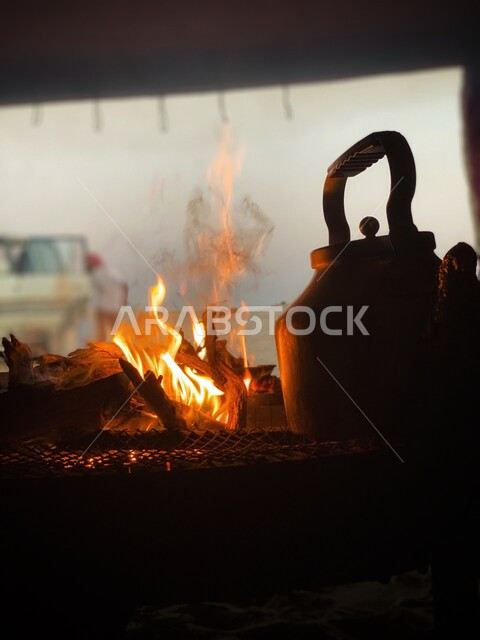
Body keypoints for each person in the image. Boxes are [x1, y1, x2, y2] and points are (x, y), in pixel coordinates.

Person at [86, 253, 128, 341]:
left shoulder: (96, 274)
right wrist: (124, 300)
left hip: (103, 307)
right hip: (115, 306)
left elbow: (94, 294)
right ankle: (119, 350)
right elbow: (124, 284)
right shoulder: (112, 271)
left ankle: (102, 350)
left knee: (102, 333)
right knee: (116, 332)